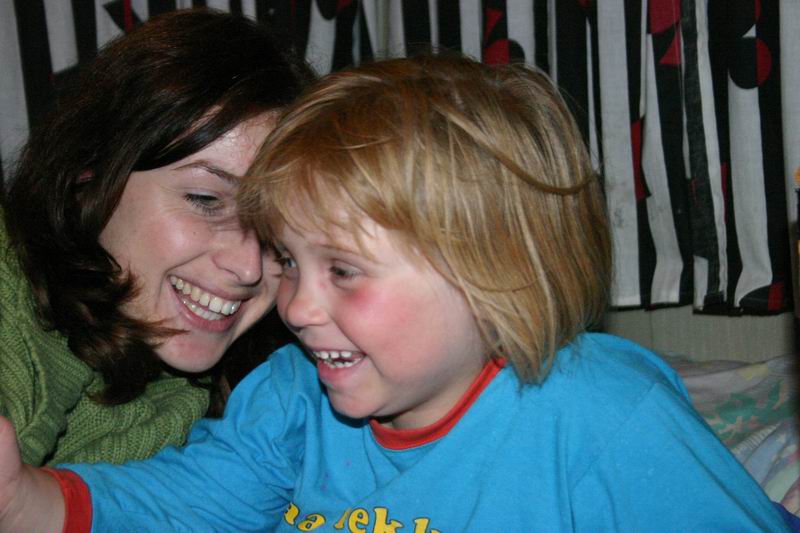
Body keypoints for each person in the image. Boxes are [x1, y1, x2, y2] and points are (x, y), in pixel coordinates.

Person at [0, 55, 790, 531]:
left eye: (344, 270)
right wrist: (25, 502)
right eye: (289, 260)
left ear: (494, 274)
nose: (296, 306)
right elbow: (192, 500)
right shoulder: (294, 395)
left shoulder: (604, 417)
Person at [0, 8, 310, 468]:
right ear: (90, 172)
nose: (248, 266)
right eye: (206, 199)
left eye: (275, 227)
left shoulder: (272, 399)